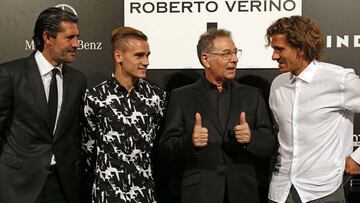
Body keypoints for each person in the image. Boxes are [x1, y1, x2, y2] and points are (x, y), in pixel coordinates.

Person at [159, 28, 275, 203]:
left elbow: (269, 143)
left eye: (235, 53)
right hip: (200, 195)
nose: (234, 59)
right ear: (206, 59)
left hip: (243, 194)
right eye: (226, 54)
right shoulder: (181, 96)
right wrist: (189, 142)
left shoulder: (252, 95)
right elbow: (166, 148)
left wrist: (251, 138)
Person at [266, 15, 360, 203]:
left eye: (279, 49)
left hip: (324, 191)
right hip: (280, 191)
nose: (274, 56)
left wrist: (358, 158)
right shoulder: (277, 85)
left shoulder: (339, 80)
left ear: (300, 48)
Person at [0, 7, 86, 203]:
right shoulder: (11, 74)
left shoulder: (78, 80)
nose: (77, 44)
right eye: (70, 37)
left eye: (77, 37)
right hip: (18, 184)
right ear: (48, 37)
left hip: (63, 185)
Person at [81, 26, 167, 203]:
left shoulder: (157, 97)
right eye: (139, 55)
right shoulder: (95, 97)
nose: (146, 62)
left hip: (144, 193)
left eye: (147, 55)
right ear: (118, 56)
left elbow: (158, 146)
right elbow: (87, 148)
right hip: (106, 194)